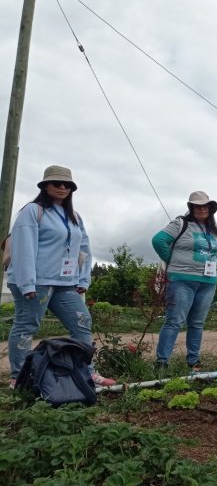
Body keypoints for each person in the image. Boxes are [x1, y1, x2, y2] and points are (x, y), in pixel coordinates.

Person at [5, 165, 115, 388]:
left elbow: (83, 248)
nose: (63, 187)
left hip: (65, 283)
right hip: (36, 282)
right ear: (45, 186)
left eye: (68, 184)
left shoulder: (74, 215)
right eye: (57, 183)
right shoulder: (33, 211)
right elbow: (23, 248)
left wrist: (83, 279)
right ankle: (19, 377)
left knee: (82, 322)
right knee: (27, 326)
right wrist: (27, 284)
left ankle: (86, 371)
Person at [153, 191, 217, 372]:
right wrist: (171, 259)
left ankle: (193, 361)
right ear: (191, 208)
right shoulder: (181, 224)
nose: (202, 209)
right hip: (181, 280)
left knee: (197, 323)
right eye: (197, 206)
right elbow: (158, 240)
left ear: (210, 209)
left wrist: (215, 261)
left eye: (205, 206)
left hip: (208, 283)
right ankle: (162, 361)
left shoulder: (215, 231)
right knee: (174, 321)